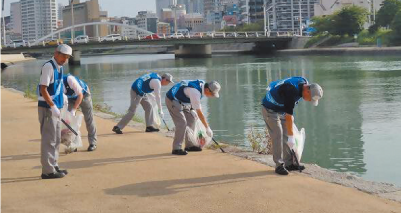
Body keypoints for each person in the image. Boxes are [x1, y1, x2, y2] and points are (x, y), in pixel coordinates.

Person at [261, 76, 323, 175]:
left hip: (281, 108)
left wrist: (290, 135)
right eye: (310, 99)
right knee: (278, 133)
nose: (309, 101)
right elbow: (289, 117)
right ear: (307, 91)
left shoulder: (304, 82)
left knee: (287, 132)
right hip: (269, 109)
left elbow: (288, 116)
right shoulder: (291, 92)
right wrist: (291, 137)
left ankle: (289, 164)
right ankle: (279, 166)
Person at [37, 44, 72, 179]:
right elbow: (43, 89)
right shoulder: (48, 66)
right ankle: (47, 171)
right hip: (47, 108)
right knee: (49, 140)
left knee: (56, 138)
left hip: (56, 107)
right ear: (56, 53)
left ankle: (54, 164)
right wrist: (52, 106)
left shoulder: (60, 67)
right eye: (63, 55)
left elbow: (57, 88)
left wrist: (61, 102)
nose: (65, 59)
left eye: (67, 57)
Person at [165, 80, 221, 155]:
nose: (212, 96)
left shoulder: (202, 86)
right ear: (207, 89)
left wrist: (192, 109)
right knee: (182, 123)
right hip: (172, 99)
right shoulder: (195, 92)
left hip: (184, 101)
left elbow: (192, 99)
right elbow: (199, 112)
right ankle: (176, 148)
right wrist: (207, 128)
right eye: (212, 94)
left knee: (192, 119)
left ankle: (189, 146)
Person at [63, 74, 98, 151]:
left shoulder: (70, 80)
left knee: (89, 119)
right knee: (70, 122)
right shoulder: (56, 88)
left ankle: (93, 143)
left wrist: (74, 110)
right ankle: (74, 144)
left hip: (84, 95)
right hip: (70, 99)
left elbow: (80, 95)